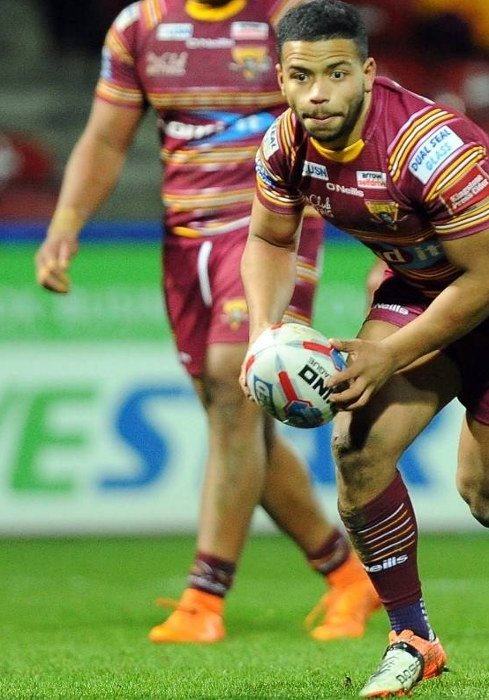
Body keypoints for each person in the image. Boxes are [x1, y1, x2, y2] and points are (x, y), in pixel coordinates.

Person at [240, 1, 489, 695]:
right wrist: (264, 332)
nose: (318, 94)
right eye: (301, 77)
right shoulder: (284, 145)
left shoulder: (429, 149)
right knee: (357, 446)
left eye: (337, 74)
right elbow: (268, 238)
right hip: (424, 287)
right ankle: (413, 638)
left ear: (368, 72)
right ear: (280, 79)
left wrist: (389, 353)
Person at [34, 0, 380, 645]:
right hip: (183, 240)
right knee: (236, 418)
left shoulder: (286, 20)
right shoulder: (141, 27)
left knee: (232, 383)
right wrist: (65, 226)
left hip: (269, 231)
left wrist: (385, 239)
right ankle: (346, 573)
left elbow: (358, 115)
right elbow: (106, 139)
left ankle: (204, 595)